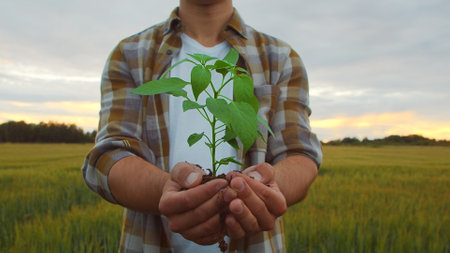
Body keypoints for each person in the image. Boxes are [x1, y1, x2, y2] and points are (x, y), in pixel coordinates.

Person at [81, 0, 322, 252]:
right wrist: (165, 190)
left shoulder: (281, 57)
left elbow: (300, 153)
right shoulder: (130, 53)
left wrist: (262, 189)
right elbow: (108, 156)